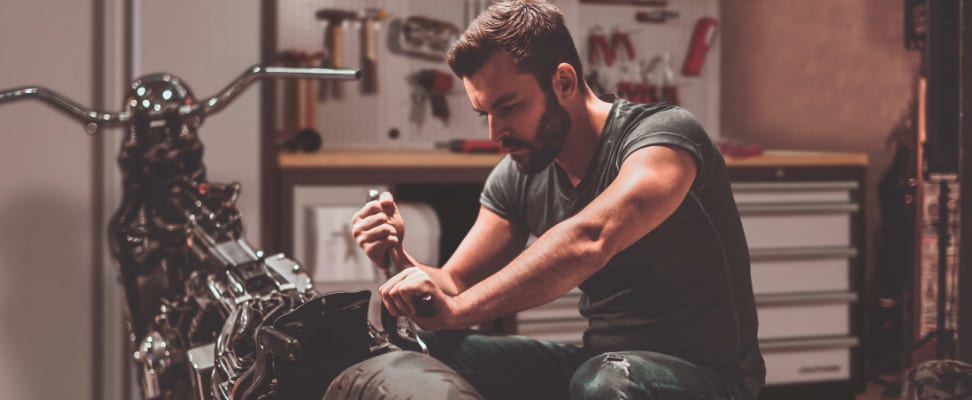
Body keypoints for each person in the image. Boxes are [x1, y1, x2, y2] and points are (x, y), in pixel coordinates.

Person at [333, 1, 765, 399]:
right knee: (427, 348)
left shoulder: (663, 138)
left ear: (563, 81)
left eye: (509, 107)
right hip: (597, 371)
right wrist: (400, 259)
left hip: (709, 380)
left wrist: (458, 308)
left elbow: (591, 238)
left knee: (606, 381)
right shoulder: (520, 174)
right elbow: (453, 285)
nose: (495, 134)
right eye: (486, 114)